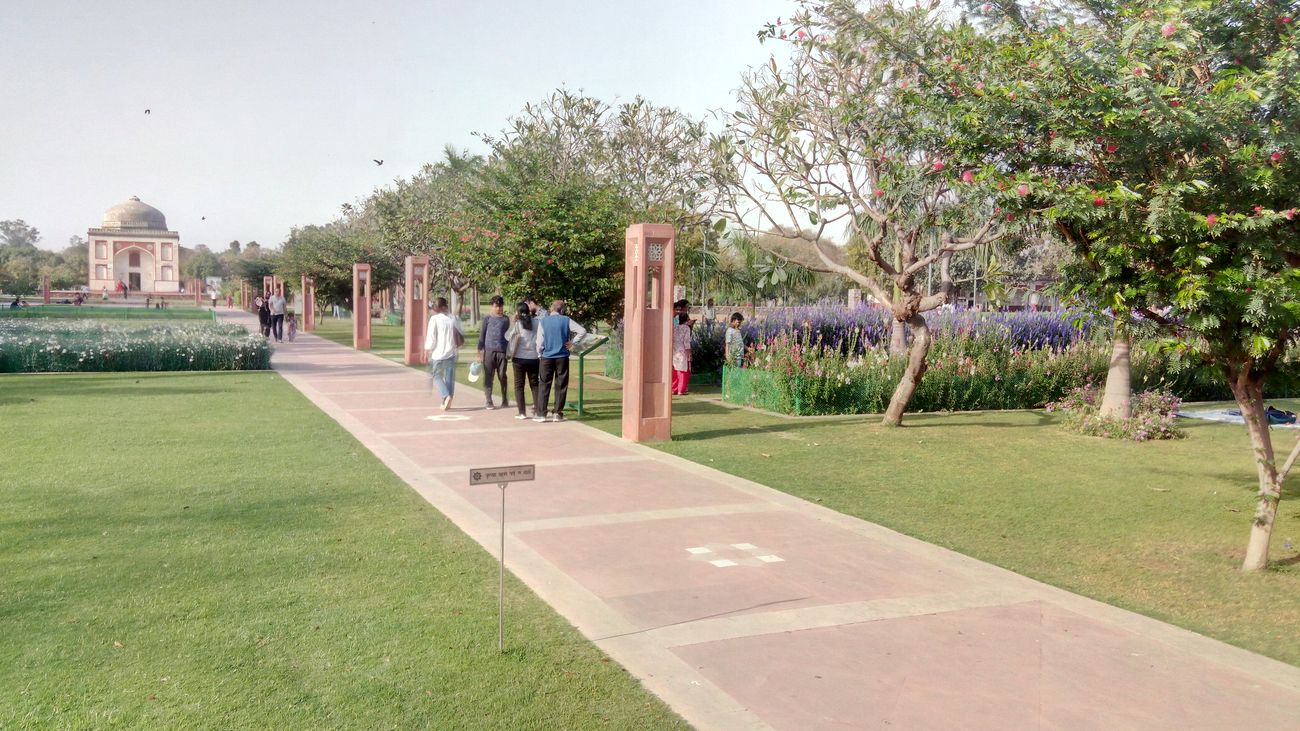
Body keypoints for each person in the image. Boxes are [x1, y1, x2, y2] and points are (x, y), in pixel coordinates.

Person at [535, 299, 587, 422]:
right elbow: (582, 331)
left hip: (547, 357)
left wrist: (539, 353)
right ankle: (557, 413)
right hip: (562, 357)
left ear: (551, 309)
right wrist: (573, 342)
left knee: (544, 384)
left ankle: (541, 414)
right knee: (561, 385)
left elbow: (539, 342)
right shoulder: (566, 320)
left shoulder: (543, 321)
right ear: (562, 310)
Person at [424, 297, 464, 410]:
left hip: (438, 353)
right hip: (451, 352)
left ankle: (446, 396)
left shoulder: (434, 319)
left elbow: (431, 337)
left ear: (438, 308)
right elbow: (460, 333)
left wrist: (427, 350)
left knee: (436, 374)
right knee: (449, 378)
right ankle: (447, 400)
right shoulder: (453, 318)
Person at [505, 301, 541, 420]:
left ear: (518, 312)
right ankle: (537, 410)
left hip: (519, 359)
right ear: (528, 311)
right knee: (535, 384)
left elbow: (507, 336)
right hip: (534, 358)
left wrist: (512, 321)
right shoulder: (537, 322)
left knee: (519, 386)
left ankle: (522, 412)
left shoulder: (517, 324)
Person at [477, 295, 511, 409]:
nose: (499, 308)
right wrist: (479, 352)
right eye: (496, 306)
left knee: (502, 375)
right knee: (488, 376)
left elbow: (509, 336)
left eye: (501, 306)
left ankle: (505, 399)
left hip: (502, 352)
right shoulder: (487, 319)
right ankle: (488, 400)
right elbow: (482, 336)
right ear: (492, 306)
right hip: (489, 352)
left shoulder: (506, 319)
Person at [671, 311, 692, 395]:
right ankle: (681, 390)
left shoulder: (675, 327)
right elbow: (687, 342)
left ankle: (674, 389)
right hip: (682, 351)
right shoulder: (686, 328)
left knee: (675, 370)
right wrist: (689, 353)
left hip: (674, 351)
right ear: (687, 319)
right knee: (683, 371)